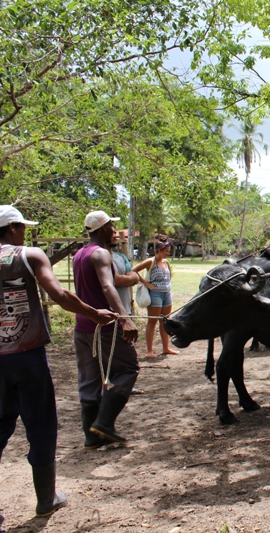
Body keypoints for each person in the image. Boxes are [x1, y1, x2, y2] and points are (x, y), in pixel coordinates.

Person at [0, 206, 116, 518]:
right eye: (22, 226)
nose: (25, 232)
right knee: (40, 424)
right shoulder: (30, 255)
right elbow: (60, 293)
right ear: (12, 227)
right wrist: (95, 313)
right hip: (28, 356)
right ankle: (46, 498)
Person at [73, 211, 140, 450]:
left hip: (82, 328)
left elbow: (109, 282)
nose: (115, 232)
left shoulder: (79, 254)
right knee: (129, 369)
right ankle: (104, 422)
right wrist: (125, 319)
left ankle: (91, 437)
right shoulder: (101, 253)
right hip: (105, 328)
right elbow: (106, 286)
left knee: (89, 380)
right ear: (103, 228)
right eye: (112, 227)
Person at [132, 241, 178, 358]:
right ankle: (149, 351)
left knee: (165, 322)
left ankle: (166, 348)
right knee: (152, 322)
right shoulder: (150, 261)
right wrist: (145, 283)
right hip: (155, 295)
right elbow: (133, 270)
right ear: (159, 250)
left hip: (166, 294)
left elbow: (169, 275)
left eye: (169, 251)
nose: (168, 253)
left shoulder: (166, 262)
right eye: (166, 251)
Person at [108, 230, 138, 316]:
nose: (115, 236)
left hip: (125, 310)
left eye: (115, 233)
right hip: (107, 313)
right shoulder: (99, 257)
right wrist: (128, 280)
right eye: (112, 233)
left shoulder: (121, 257)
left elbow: (135, 278)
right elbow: (116, 280)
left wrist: (128, 279)